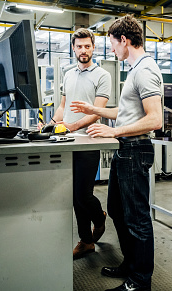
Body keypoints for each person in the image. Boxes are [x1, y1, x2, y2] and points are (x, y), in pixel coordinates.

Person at [71, 15, 163, 291]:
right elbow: (123, 113)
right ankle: (130, 265)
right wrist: (94, 110)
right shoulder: (134, 70)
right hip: (126, 150)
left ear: (124, 40)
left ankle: (139, 281)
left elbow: (155, 119)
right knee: (116, 210)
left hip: (135, 149)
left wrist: (114, 132)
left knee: (137, 219)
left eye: (113, 44)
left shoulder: (145, 70)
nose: (111, 50)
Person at [41, 28, 111, 259]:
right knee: (73, 195)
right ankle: (86, 240)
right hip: (67, 141)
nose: (83, 50)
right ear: (73, 48)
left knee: (83, 194)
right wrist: (50, 124)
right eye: (79, 46)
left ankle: (99, 217)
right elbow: (62, 107)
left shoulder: (102, 75)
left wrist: (73, 126)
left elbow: (97, 112)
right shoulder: (68, 74)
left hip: (88, 140)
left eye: (87, 46)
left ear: (93, 47)